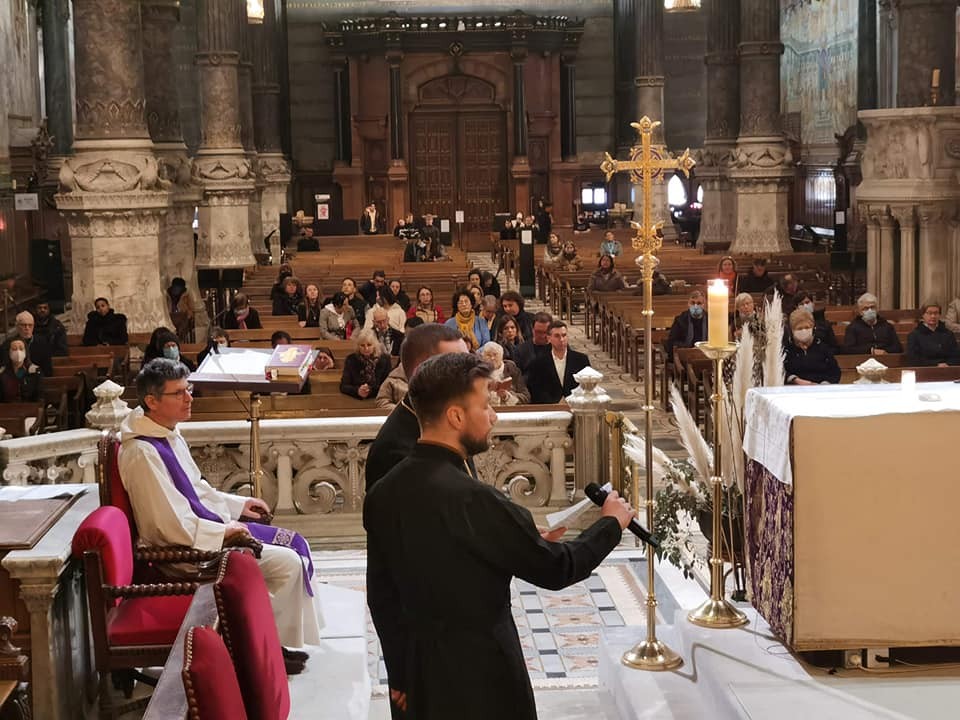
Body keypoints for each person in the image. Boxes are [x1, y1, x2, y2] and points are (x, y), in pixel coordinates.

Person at [364, 352, 632, 720]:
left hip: (418, 674)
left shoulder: (382, 493)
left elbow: (382, 595)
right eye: (485, 405)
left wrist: (399, 675)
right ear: (456, 416)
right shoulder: (476, 499)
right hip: (483, 676)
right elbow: (558, 568)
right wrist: (611, 524)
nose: (494, 415)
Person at [118, 359, 322, 668]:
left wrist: (238, 505)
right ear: (152, 401)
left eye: (188, 389)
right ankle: (266, 654)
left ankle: (270, 643)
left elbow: (196, 489)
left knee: (294, 544)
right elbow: (164, 524)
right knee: (287, 564)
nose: (189, 398)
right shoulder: (143, 453)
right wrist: (223, 532)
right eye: (178, 393)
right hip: (186, 552)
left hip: (200, 533)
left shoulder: (165, 433)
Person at [365, 324, 468, 492]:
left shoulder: (439, 417)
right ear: (421, 372)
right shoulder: (397, 451)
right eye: (458, 366)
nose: (470, 376)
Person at [525, 321, 590, 404]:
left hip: (577, 405)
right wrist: (555, 404)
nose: (561, 339)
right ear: (549, 338)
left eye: (564, 335)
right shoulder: (538, 363)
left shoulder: (581, 360)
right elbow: (536, 390)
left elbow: (587, 386)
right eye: (557, 336)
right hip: (549, 407)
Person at [783, 309, 841, 384]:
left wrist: (825, 384)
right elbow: (780, 371)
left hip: (820, 388)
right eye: (799, 328)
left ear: (813, 328)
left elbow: (835, 372)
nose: (804, 331)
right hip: (794, 388)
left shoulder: (823, 348)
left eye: (807, 327)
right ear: (792, 330)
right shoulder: (787, 350)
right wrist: (795, 380)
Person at [340, 329, 392, 400]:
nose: (366, 348)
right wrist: (357, 390)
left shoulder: (385, 359)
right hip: (355, 400)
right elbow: (344, 386)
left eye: (369, 345)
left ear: (374, 345)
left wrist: (370, 391)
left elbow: (387, 385)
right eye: (362, 345)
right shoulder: (351, 360)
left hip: (378, 399)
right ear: (358, 346)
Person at [3, 311, 53, 377]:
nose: (27, 328)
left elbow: (48, 369)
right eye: (23, 325)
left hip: (36, 377)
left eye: (30, 325)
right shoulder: (8, 344)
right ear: (17, 326)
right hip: (13, 378)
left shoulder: (43, 343)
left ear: (33, 326)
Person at [664, 291, 707, 361]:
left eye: (699, 303)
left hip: (706, 355)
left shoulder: (710, 320)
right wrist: (690, 349)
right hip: (686, 355)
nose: (695, 306)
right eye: (692, 303)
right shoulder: (680, 320)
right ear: (688, 304)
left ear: (704, 305)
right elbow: (672, 342)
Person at [166, 277, 195, 341]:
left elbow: (192, 308)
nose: (176, 289)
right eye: (175, 287)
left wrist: (188, 315)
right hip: (170, 316)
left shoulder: (186, 295)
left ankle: (179, 338)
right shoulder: (167, 295)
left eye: (179, 288)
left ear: (182, 288)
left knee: (184, 321)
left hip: (182, 316)